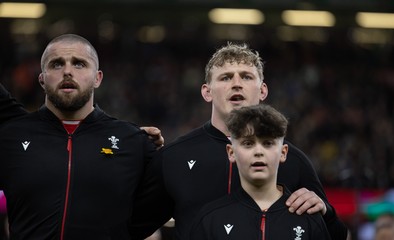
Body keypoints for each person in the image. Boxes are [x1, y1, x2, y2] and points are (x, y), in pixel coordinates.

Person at [132, 42, 348, 240]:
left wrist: (326, 212)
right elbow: (129, 228)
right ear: (207, 92)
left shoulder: (294, 161)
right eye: (226, 77)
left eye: (246, 76)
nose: (236, 84)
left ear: (262, 90)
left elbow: (335, 234)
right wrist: (133, 160)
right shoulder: (175, 157)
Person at [0, 34, 163, 239]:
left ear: (98, 78)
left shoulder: (133, 142)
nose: (67, 71)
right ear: (42, 79)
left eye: (79, 64)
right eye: (57, 64)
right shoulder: (11, 137)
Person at [189, 104, 331, 239]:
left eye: (268, 143)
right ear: (231, 152)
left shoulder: (308, 218)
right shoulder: (210, 220)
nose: (258, 152)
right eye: (248, 143)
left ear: (283, 153)